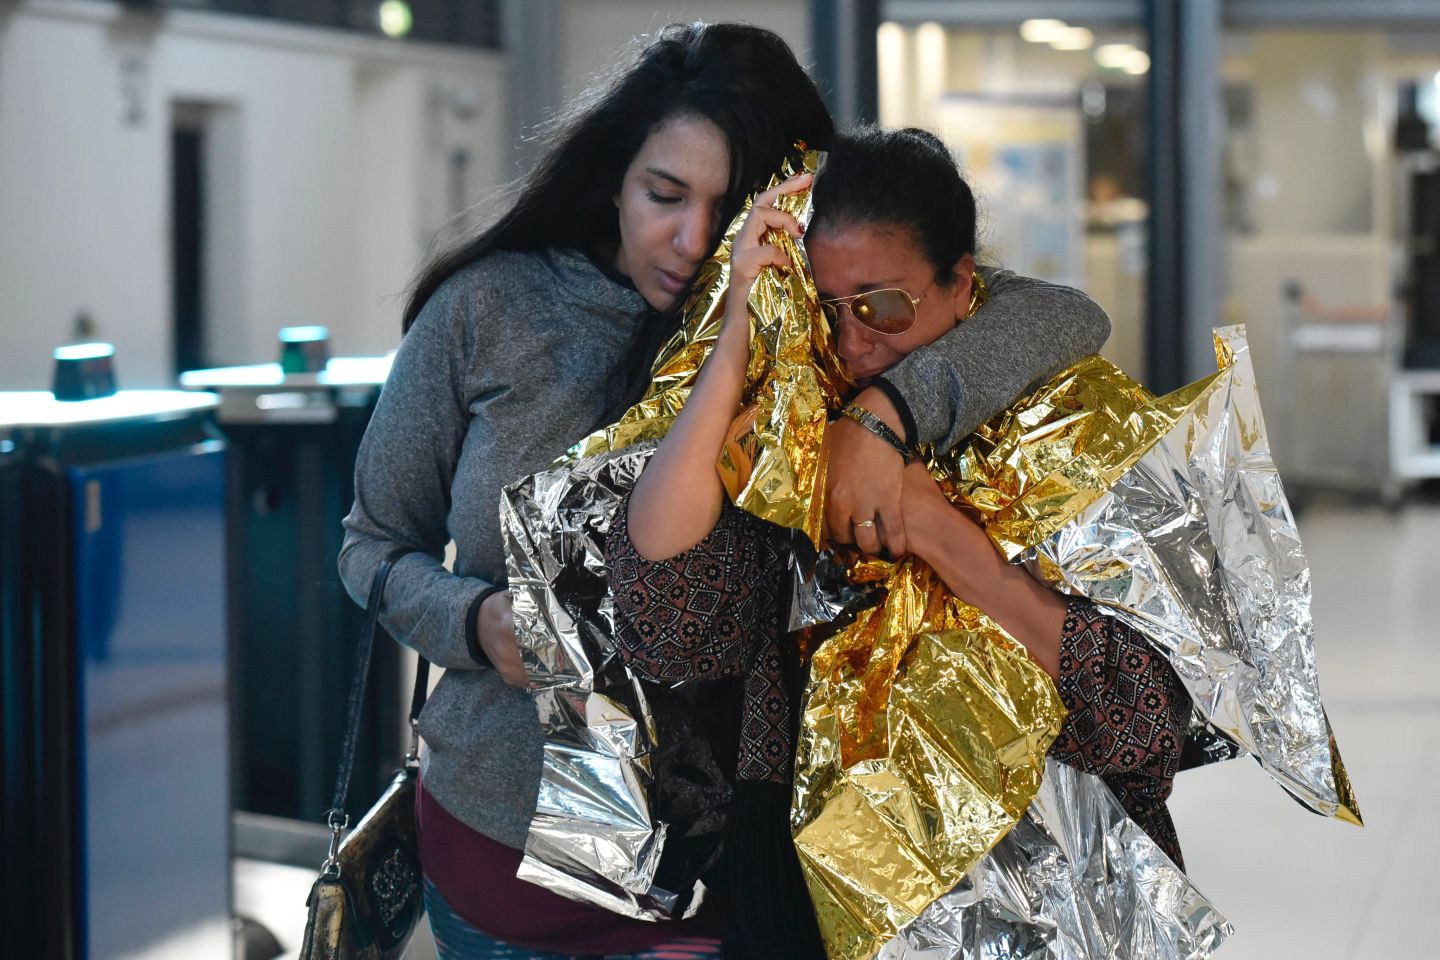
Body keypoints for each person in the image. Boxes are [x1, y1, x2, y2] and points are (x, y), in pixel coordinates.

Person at [339, 22, 1110, 959]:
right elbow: (373, 547)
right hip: (507, 847)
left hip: (736, 867)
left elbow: (1060, 314)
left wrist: (884, 414)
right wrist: (475, 622)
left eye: (732, 207)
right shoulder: (491, 312)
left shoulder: (814, 318)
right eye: (664, 195)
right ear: (616, 174)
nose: (693, 238)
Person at [610, 126, 1191, 956]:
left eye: (883, 308)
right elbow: (671, 620)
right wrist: (740, 324)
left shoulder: (1068, 428)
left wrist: (940, 533)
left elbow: (1145, 722)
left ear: (962, 286)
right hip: (807, 875)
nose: (853, 343)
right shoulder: (798, 427)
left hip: (1035, 878)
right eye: (829, 308)